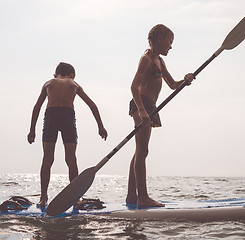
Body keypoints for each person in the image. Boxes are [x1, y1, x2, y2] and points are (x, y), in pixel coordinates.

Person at [127, 24, 194, 208]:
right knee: (143, 151)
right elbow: (134, 87)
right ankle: (142, 198)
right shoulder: (147, 59)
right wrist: (141, 110)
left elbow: (173, 84)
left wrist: (185, 81)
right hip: (142, 104)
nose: (171, 46)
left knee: (140, 150)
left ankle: (132, 196)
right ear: (159, 38)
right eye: (169, 41)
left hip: (150, 106)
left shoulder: (160, 61)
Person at [27, 62, 108, 207]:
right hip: (67, 117)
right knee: (71, 158)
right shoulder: (73, 84)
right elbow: (92, 105)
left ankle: (43, 197)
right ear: (72, 75)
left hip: (51, 116)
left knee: (47, 158)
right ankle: (75, 198)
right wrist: (100, 127)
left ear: (55, 74)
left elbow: (37, 107)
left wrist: (32, 130)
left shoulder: (48, 83)